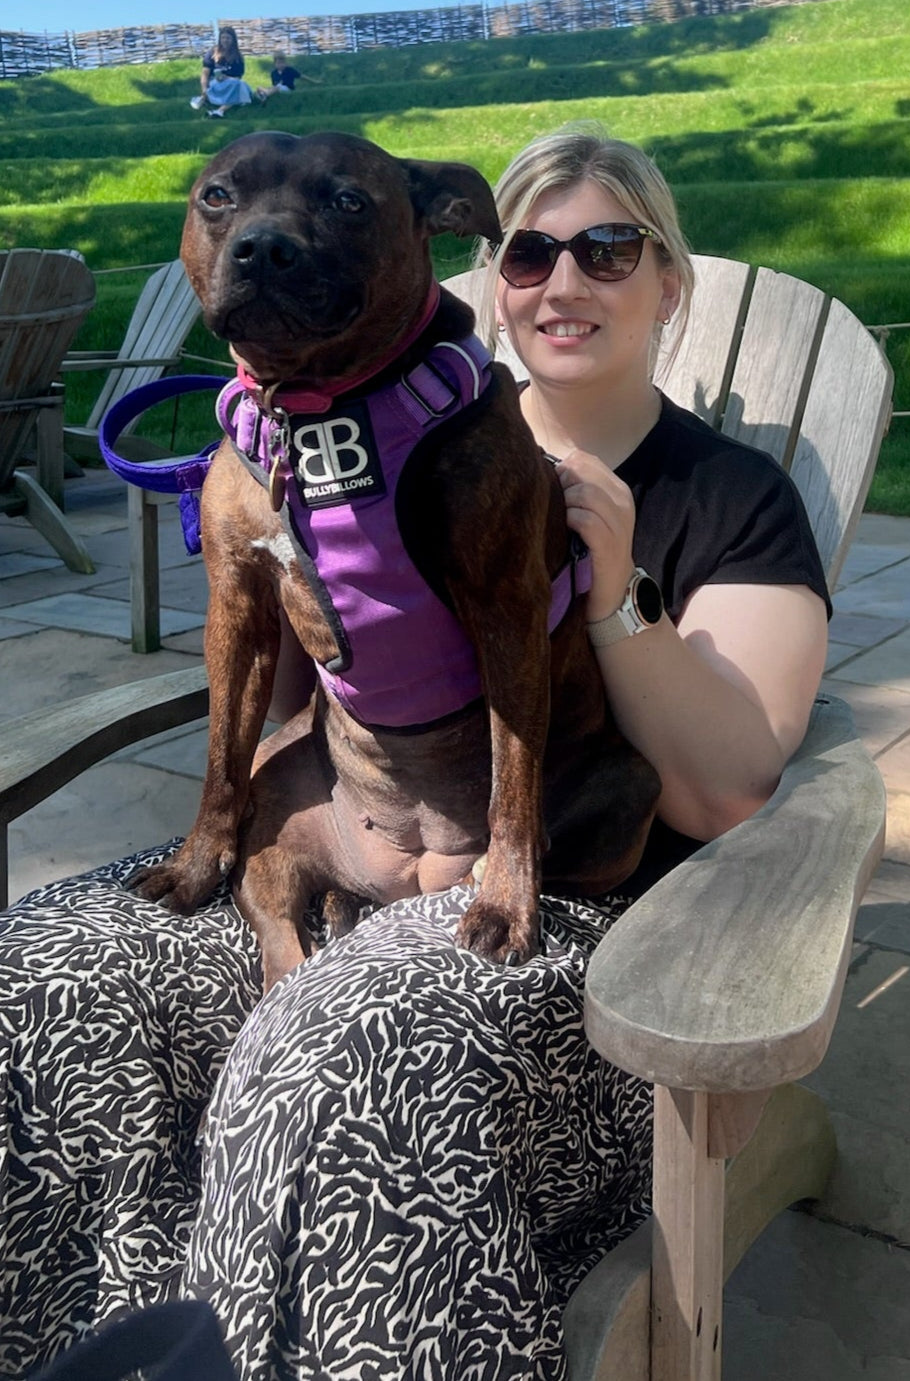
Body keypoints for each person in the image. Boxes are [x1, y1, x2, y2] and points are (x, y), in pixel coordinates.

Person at [0, 126, 829, 1380]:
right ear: (489, 269)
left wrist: (611, 594)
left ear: (670, 285)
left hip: (578, 908)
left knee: (337, 1062)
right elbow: (290, 685)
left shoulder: (733, 497)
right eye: (537, 251)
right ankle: (108, 1321)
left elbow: (726, 790)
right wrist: (284, 557)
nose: (565, 282)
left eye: (610, 250)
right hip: (353, 818)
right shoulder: (345, 434)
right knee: (52, 962)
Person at [190, 26, 254, 119]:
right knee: (240, 88)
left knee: (240, 85)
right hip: (215, 84)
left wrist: (226, 78)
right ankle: (210, 103)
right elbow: (205, 73)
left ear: (233, 40)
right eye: (223, 38)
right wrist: (204, 89)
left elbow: (238, 77)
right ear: (220, 39)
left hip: (231, 84)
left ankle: (220, 110)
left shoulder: (238, 57)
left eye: (228, 38)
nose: (225, 40)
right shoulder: (212, 53)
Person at [254, 48, 320, 103]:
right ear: (275, 63)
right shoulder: (273, 73)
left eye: (282, 62)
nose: (281, 65)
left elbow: (302, 77)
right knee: (259, 88)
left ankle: (264, 95)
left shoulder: (290, 70)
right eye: (278, 63)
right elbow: (274, 84)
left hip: (288, 89)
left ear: (285, 62)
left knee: (277, 87)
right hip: (277, 88)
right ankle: (263, 95)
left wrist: (314, 82)